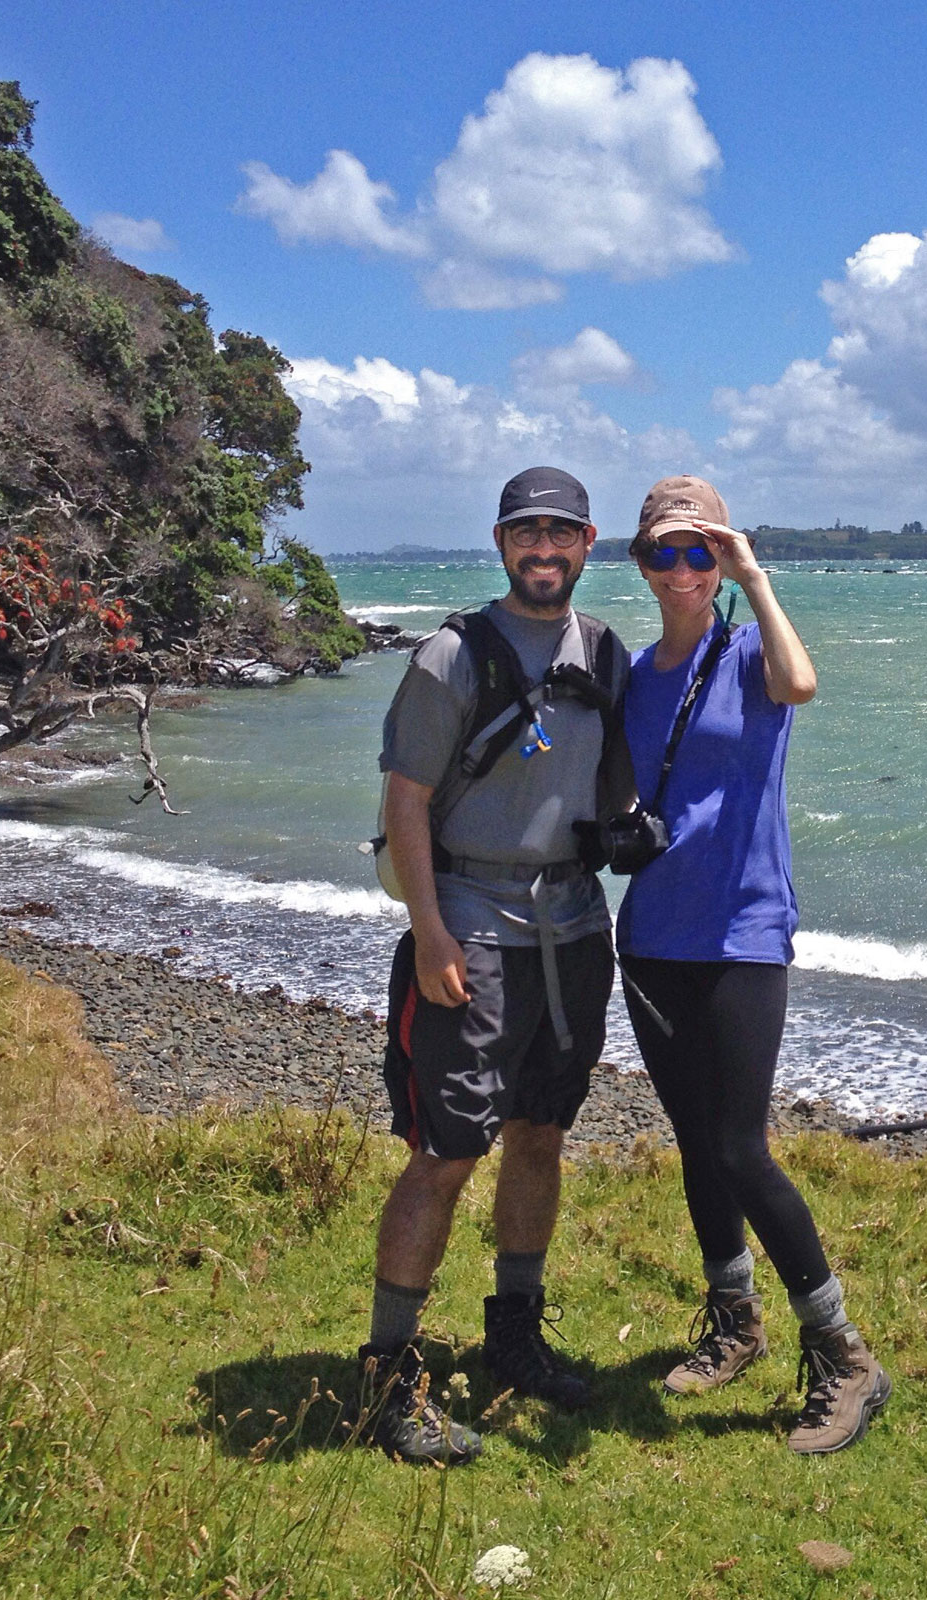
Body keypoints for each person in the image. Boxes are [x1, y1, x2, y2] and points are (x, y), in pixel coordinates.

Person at [615, 474, 892, 1455]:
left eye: (702, 550)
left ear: (722, 555)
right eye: (665, 550)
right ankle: (734, 1322)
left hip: (741, 930)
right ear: (640, 561)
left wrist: (755, 576)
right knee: (695, 1139)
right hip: (649, 934)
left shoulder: (748, 655)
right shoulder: (629, 672)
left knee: (739, 1145)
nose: (684, 568)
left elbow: (802, 684)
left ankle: (844, 1353)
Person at [361, 465, 632, 1465]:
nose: (544, 549)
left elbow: (612, 786)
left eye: (562, 534)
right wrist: (430, 932)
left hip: (572, 928)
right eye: (528, 533)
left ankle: (513, 1337)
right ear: (501, 541)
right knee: (444, 1151)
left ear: (588, 543)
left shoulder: (604, 651)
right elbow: (405, 802)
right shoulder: (449, 656)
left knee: (539, 1135)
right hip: (469, 925)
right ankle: (388, 1373)